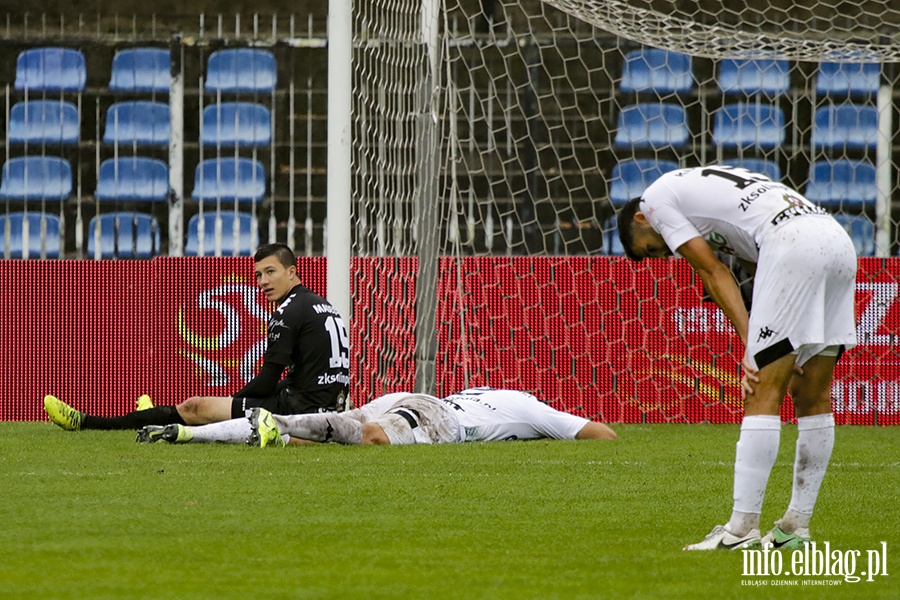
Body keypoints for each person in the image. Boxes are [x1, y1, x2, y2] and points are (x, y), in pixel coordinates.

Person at [616, 164, 857, 551]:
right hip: (836, 240)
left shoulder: (655, 200)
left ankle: (741, 529)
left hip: (792, 243)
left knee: (760, 390)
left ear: (642, 219)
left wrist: (751, 343)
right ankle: (795, 528)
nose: (663, 257)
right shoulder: (702, 194)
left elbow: (713, 272)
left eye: (650, 249)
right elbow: (753, 262)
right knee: (812, 394)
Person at [43, 243, 350, 442]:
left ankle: (86, 423)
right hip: (327, 407)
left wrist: (233, 403)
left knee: (195, 407)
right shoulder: (320, 303)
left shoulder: (287, 311)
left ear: (292, 271)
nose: (263, 282)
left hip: (301, 409)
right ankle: (154, 412)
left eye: (270, 273)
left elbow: (268, 379)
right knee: (207, 409)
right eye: (258, 275)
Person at [136, 387, 616, 446]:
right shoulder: (531, 407)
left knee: (323, 441)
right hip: (435, 417)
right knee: (370, 439)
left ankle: (182, 432)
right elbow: (603, 434)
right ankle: (277, 421)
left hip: (408, 398)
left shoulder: (493, 392)